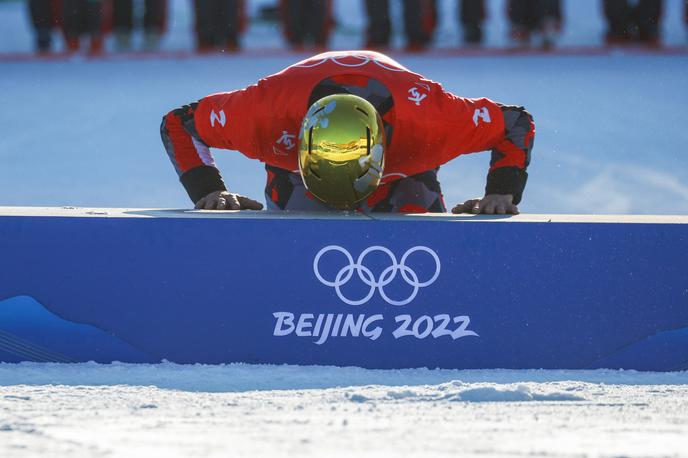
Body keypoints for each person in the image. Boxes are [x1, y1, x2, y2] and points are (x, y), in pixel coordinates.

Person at [160, 51, 535, 214]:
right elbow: (179, 123)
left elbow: (515, 124)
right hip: (296, 175)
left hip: (403, 166)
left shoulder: (432, 120)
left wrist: (500, 193)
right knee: (299, 238)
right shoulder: (264, 113)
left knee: (413, 219)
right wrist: (209, 191)